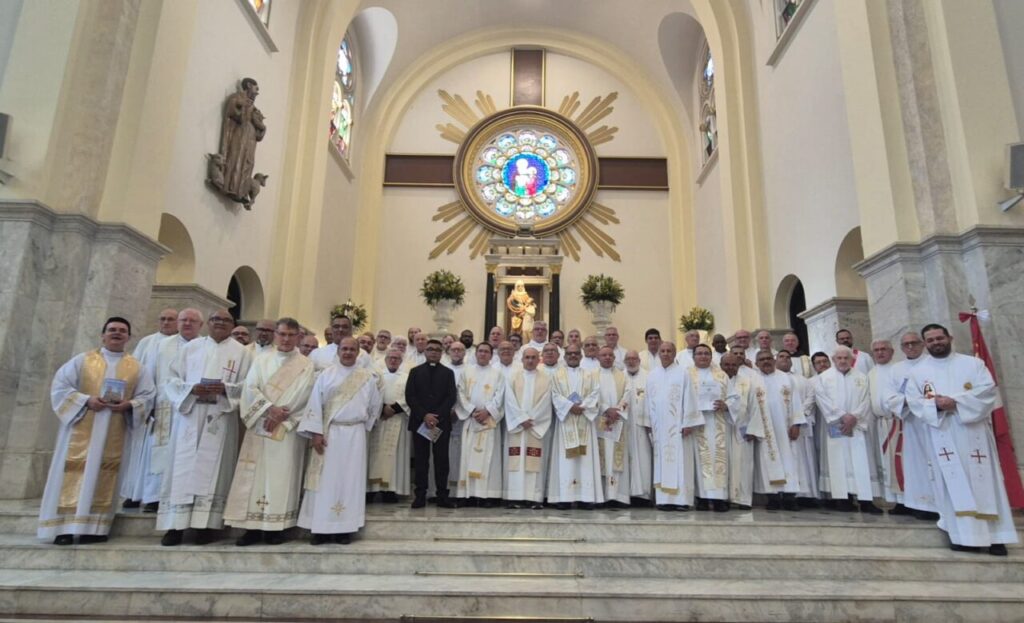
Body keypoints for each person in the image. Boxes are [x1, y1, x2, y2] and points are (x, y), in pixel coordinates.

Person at [39, 317, 155, 545]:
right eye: (112, 330)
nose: (117, 334)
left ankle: (96, 528)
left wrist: (129, 405)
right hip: (82, 427)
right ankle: (64, 529)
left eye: (122, 331)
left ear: (129, 338)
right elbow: (60, 387)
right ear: (102, 335)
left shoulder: (137, 367)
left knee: (106, 473)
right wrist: (86, 400)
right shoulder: (82, 361)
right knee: (72, 473)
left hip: (115, 428)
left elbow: (148, 396)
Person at [907, 324, 1017, 555]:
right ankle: (961, 536)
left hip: (973, 432)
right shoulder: (918, 372)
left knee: (986, 483)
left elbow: (987, 391)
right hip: (942, 433)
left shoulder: (973, 364)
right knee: (950, 485)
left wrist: (955, 401)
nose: (936, 342)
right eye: (930, 340)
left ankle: (997, 537)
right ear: (925, 344)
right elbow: (914, 401)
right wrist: (935, 404)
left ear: (950, 338)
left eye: (939, 338)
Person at [158, 309, 252, 546]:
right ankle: (175, 526)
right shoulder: (191, 348)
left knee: (215, 470)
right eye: (216, 320)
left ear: (233, 325)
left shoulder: (242, 353)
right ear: (208, 324)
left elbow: (248, 386)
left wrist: (226, 390)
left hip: (220, 415)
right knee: (182, 467)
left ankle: (205, 526)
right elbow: (171, 379)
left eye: (226, 320)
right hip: (190, 414)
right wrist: (191, 389)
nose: (220, 323)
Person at [225, 317, 315, 546]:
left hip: (285, 428)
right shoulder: (261, 360)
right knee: (254, 477)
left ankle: (277, 527)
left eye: (290, 335)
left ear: (298, 337)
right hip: (260, 423)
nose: (285, 339)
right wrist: (269, 410)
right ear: (275, 334)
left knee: (282, 475)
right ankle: (251, 528)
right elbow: (250, 388)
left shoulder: (306, 364)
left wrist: (282, 415)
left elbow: (305, 393)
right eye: (282, 334)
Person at [298, 338, 382, 545]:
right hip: (330, 433)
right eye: (344, 349)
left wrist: (364, 428)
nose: (347, 353)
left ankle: (345, 528)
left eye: (352, 349)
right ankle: (320, 528)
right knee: (325, 480)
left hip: (355, 435)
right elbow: (315, 404)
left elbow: (374, 406)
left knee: (350, 480)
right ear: (338, 351)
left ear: (358, 352)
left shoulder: (367, 378)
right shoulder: (326, 375)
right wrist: (316, 433)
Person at [135, 309, 204, 513]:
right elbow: (148, 376)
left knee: (188, 454)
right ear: (178, 323)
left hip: (192, 407)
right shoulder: (161, 345)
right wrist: (147, 403)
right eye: (184, 320)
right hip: (164, 406)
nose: (187, 324)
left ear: (201, 325)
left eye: (193, 321)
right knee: (159, 454)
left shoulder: (204, 346)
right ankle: (154, 497)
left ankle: (183, 494)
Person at [814, 346, 883, 514]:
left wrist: (854, 417)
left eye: (846, 358)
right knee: (838, 461)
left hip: (857, 426)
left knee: (862, 462)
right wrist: (842, 416)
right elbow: (823, 401)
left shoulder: (861, 377)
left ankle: (866, 500)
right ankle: (842, 499)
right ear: (833, 359)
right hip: (836, 426)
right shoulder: (824, 378)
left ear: (852, 360)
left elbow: (867, 399)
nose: (843, 361)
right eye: (839, 358)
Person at [121, 308, 178, 509]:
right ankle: (135, 492)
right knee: (141, 453)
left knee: (164, 454)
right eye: (163, 319)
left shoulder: (185, 344)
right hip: (149, 405)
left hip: (173, 407)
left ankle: (157, 495)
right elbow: (134, 371)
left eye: (171, 319)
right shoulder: (147, 342)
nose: (166, 322)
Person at [548, 345, 603, 509]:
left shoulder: (590, 375)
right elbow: (554, 395)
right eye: (570, 354)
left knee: (585, 460)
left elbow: (596, 393)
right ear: (564, 357)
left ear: (581, 356)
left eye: (576, 353)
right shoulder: (557, 376)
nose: (573, 356)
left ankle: (585, 498)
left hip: (584, 421)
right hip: (565, 422)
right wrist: (569, 407)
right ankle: (565, 497)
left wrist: (583, 406)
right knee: (565, 460)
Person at [405, 339, 458, 509]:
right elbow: (410, 396)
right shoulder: (415, 372)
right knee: (421, 460)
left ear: (442, 352)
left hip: (440, 423)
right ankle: (420, 495)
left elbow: (451, 397)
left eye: (437, 349)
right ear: (425, 352)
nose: (433, 352)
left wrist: (436, 417)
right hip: (420, 422)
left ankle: (442, 495)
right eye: (430, 349)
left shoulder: (448, 373)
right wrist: (425, 415)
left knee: (442, 460)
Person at [891, 332, 938, 520]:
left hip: (937, 421)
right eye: (906, 344)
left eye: (914, 343)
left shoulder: (933, 364)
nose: (910, 347)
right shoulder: (896, 369)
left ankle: (940, 502)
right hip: (911, 422)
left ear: (923, 344)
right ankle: (921, 503)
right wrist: (912, 403)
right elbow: (890, 396)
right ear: (901, 348)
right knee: (915, 464)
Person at [751, 350, 806, 511]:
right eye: (762, 359)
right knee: (767, 461)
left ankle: (790, 498)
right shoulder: (753, 380)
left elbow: (796, 401)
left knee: (790, 460)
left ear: (774, 360)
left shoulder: (786, 378)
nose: (766, 361)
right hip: (764, 430)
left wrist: (796, 423)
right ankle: (772, 497)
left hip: (785, 428)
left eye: (769, 358)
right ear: (756, 363)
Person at [454, 342, 505, 506]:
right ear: (476, 354)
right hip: (471, 420)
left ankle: (485, 495)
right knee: (468, 457)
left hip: (488, 422)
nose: (483, 354)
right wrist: (472, 410)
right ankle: (467, 495)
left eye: (486, 352)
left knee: (488, 458)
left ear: (491, 355)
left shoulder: (497, 374)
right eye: (480, 351)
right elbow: (460, 393)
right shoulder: (466, 372)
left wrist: (487, 411)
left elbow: (500, 396)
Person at [682, 344, 730, 512]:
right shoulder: (686, 374)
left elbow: (734, 397)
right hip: (696, 425)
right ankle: (701, 497)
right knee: (698, 460)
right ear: (693, 357)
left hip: (718, 423)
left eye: (706, 354)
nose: (703, 356)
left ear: (711, 356)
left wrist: (727, 404)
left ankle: (719, 499)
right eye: (699, 354)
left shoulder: (721, 375)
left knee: (718, 458)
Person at [503, 347, 552, 508]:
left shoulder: (546, 379)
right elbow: (509, 400)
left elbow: (546, 402)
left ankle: (534, 498)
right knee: (515, 461)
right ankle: (514, 497)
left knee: (534, 462)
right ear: (522, 359)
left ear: (539, 360)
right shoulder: (513, 377)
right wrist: (520, 419)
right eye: (527, 357)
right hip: (518, 427)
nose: (530, 360)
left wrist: (531, 420)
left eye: (533, 357)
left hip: (535, 427)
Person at [646, 341, 692, 511]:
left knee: (679, 462)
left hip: (677, 427)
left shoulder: (683, 374)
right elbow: (647, 401)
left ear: (674, 354)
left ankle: (680, 501)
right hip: (659, 428)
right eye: (662, 351)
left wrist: (688, 422)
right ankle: (663, 500)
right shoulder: (652, 375)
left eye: (669, 351)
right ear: (659, 354)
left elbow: (689, 399)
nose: (665, 354)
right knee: (661, 462)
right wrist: (648, 423)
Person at [868, 339, 909, 514]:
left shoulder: (899, 370)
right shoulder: (870, 374)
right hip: (880, 424)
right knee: (885, 462)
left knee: (901, 462)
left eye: (883, 349)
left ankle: (906, 501)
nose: (880, 352)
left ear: (892, 352)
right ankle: (891, 499)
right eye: (876, 350)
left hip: (899, 423)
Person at [776, 350, 819, 506]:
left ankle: (805, 494)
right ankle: (783, 494)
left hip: (799, 425)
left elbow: (811, 397)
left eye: (788, 357)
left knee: (802, 459)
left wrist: (798, 415)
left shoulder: (802, 380)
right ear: (776, 360)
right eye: (781, 357)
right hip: (779, 427)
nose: (785, 360)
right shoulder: (770, 379)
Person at [367, 349, 411, 504]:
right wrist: (382, 408)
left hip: (397, 419)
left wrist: (394, 409)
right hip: (379, 421)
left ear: (401, 361)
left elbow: (410, 397)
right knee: (375, 454)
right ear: (385, 359)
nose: (393, 360)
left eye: (397, 358)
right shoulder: (377, 376)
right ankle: (372, 490)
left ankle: (390, 490)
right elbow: (370, 395)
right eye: (391, 358)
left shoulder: (407, 377)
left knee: (395, 457)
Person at [596, 346, 632, 507]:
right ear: (598, 357)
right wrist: (606, 409)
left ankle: (619, 497)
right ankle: (602, 496)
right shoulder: (592, 376)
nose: (607, 357)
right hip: (600, 423)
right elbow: (591, 395)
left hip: (618, 423)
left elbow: (628, 394)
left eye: (610, 355)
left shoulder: (622, 376)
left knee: (617, 460)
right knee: (601, 459)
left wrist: (616, 411)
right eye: (604, 355)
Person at [721, 354, 755, 509]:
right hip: (721, 429)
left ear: (738, 365)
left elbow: (755, 407)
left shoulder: (747, 383)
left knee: (743, 463)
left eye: (733, 365)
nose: (729, 367)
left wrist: (753, 428)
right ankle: (724, 498)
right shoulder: (716, 380)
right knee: (724, 463)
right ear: (720, 365)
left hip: (742, 429)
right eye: (726, 364)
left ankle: (742, 499)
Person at [623, 350, 653, 505]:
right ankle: (625, 493)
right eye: (628, 359)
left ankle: (644, 495)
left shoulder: (649, 377)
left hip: (643, 426)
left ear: (639, 360)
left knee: (644, 458)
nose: (631, 361)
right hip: (624, 426)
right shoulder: (620, 376)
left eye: (634, 359)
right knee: (625, 458)